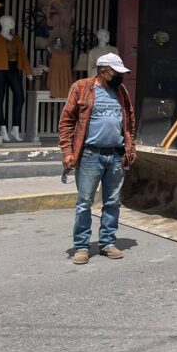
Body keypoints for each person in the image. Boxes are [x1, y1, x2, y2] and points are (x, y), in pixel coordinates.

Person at [58, 53, 136, 265]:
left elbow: (129, 120)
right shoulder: (81, 87)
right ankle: (82, 246)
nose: (120, 76)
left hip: (116, 155)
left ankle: (107, 243)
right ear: (103, 71)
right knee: (85, 203)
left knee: (112, 202)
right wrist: (67, 152)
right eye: (116, 72)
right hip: (90, 155)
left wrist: (131, 148)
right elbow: (66, 122)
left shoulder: (120, 90)